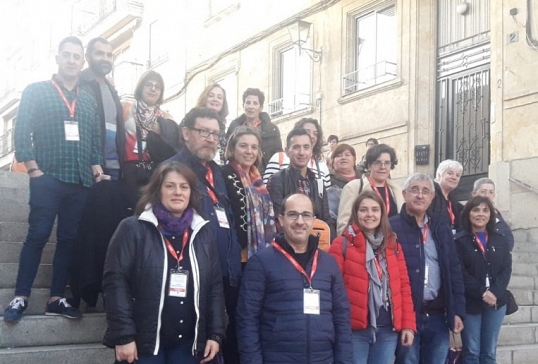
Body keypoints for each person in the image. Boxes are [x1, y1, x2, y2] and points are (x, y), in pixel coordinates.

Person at [4, 36, 105, 322]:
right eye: (67, 55)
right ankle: (20, 297)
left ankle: (56, 298)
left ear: (82, 62)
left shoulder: (87, 101)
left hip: (79, 181)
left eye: (77, 56)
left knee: (69, 240)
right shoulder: (37, 91)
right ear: (58, 58)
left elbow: (94, 139)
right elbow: (21, 130)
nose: (72, 60)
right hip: (47, 177)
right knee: (37, 236)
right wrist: (33, 168)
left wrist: (95, 165)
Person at [102, 161, 226, 364]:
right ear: (157, 190)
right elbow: (115, 283)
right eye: (170, 186)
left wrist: (215, 333)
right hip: (144, 344)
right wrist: (123, 336)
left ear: (191, 193)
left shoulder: (203, 233)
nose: (177, 192)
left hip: (188, 344)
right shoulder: (133, 228)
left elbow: (214, 288)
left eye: (184, 187)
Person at [236, 193, 353, 364]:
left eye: (306, 215)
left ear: (313, 220)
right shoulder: (261, 262)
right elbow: (247, 320)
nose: (300, 221)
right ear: (281, 219)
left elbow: (341, 317)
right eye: (293, 214)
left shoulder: (328, 264)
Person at [167, 107, 241, 364]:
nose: (211, 138)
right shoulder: (172, 171)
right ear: (186, 133)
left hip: (221, 274)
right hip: (192, 276)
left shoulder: (217, 173)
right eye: (204, 132)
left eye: (215, 134)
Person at [329, 191, 416, 364]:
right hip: (355, 331)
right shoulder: (342, 244)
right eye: (364, 210)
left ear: (382, 214)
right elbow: (332, 289)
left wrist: (408, 325)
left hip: (387, 330)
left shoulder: (393, 245)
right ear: (356, 213)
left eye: (375, 210)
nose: (370, 214)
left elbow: (404, 287)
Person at [390, 173, 466, 364]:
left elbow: (453, 269)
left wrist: (457, 310)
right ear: (405, 194)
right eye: (414, 190)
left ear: (432, 197)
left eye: (426, 191)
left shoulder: (441, 225)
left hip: (438, 315)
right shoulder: (391, 226)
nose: (420, 196)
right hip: (408, 316)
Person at [454, 196, 512, 364]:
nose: (481, 214)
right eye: (476, 209)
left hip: (496, 302)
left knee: (489, 352)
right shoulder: (459, 241)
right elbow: (460, 273)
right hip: (471, 303)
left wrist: (494, 292)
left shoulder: (500, 239)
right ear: (468, 214)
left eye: (485, 210)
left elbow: (506, 269)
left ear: (491, 215)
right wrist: (482, 292)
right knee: (472, 351)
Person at [120, 70, 181, 204]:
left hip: (155, 170)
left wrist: (161, 131)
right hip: (129, 169)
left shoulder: (165, 117)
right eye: (149, 85)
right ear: (141, 87)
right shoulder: (125, 108)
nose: (153, 89)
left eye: (157, 87)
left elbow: (172, 146)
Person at [267, 128, 336, 239]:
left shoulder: (318, 184)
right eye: (296, 147)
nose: (302, 152)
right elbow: (279, 220)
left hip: (317, 244)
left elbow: (327, 219)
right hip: (288, 245)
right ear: (287, 151)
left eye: (306, 147)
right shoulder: (277, 180)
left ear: (311, 151)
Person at [222, 126, 276, 264]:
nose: (249, 151)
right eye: (243, 146)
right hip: (234, 256)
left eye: (254, 147)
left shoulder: (257, 179)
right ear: (232, 149)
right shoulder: (224, 174)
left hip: (258, 255)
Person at [79, 37, 123, 180]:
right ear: (88, 57)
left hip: (114, 166)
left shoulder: (111, 88)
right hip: (88, 167)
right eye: (99, 53)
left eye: (109, 55)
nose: (105, 58)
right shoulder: (78, 83)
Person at [338, 144, 403, 235]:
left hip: (391, 244)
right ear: (369, 165)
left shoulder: (397, 191)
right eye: (378, 162)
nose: (383, 167)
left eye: (387, 163)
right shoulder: (354, 187)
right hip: (362, 245)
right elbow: (343, 225)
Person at [263, 118, 331, 188]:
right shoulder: (279, 158)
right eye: (307, 131)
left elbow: (327, 195)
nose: (311, 136)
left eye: (315, 133)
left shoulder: (322, 166)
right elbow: (266, 191)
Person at [226, 88, 282, 173]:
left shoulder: (272, 130)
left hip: (264, 176)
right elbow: (227, 153)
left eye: (255, 103)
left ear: (261, 107)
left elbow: (279, 156)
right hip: (238, 175)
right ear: (243, 105)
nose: (251, 107)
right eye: (248, 103)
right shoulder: (234, 129)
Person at [472, 177, 515, 250]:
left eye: (491, 192)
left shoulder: (496, 215)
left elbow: (508, 239)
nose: (487, 195)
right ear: (474, 194)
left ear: (494, 195)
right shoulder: (467, 213)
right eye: (483, 191)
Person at [194, 83, 229, 164]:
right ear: (204, 99)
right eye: (211, 96)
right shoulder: (193, 118)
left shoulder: (222, 126)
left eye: (219, 97)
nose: (215, 99)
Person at [428, 159, 464, 234]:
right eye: (450, 173)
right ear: (439, 174)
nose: (454, 177)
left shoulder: (453, 200)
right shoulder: (430, 194)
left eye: (457, 175)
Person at [327, 143, 361, 219]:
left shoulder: (364, 179)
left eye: (347, 155)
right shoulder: (328, 180)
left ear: (354, 159)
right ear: (333, 161)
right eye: (338, 155)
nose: (343, 158)